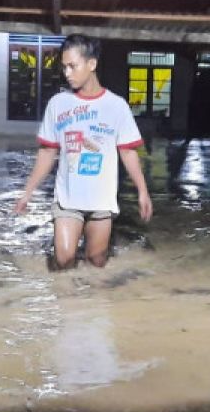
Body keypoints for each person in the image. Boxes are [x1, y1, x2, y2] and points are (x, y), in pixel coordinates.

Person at [13, 35, 152, 269]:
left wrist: (143, 191)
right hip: (68, 199)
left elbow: (128, 152)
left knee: (96, 262)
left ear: (92, 64)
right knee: (64, 259)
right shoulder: (58, 104)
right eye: (64, 67)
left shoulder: (116, 106)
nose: (67, 73)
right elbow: (47, 152)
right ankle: (65, 302)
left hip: (102, 200)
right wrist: (27, 193)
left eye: (72, 66)